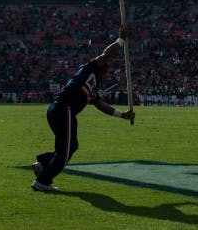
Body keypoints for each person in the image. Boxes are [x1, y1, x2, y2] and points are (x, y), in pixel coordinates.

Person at [31, 28, 134, 193]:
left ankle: (43, 164)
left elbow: (101, 105)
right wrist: (120, 41)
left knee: (71, 146)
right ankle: (43, 181)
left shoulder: (92, 87)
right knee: (65, 150)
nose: (106, 74)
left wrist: (122, 115)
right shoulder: (89, 69)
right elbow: (105, 55)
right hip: (64, 108)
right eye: (105, 70)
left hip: (63, 111)